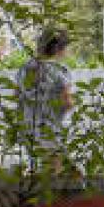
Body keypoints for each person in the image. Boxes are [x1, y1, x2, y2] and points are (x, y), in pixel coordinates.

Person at [17, 29, 74, 165]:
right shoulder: (60, 70)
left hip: (28, 128)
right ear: (57, 49)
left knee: (38, 170)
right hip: (50, 130)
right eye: (65, 48)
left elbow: (17, 96)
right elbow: (67, 102)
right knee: (54, 173)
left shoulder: (24, 69)